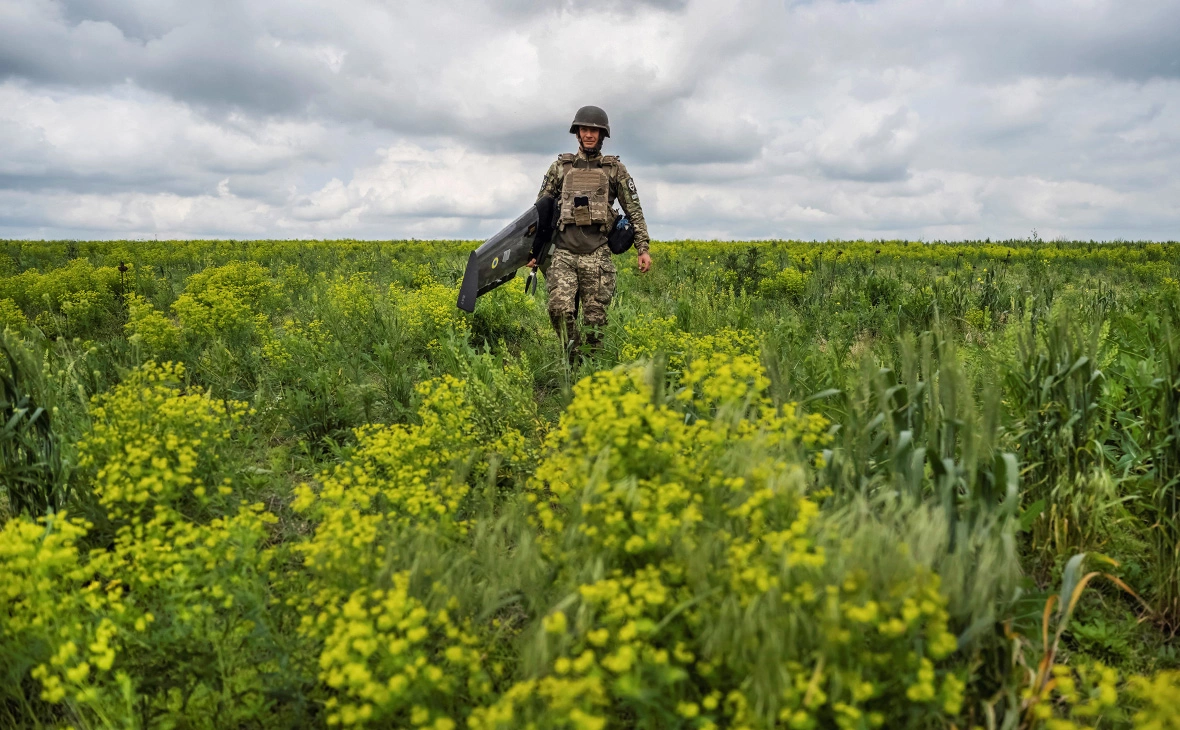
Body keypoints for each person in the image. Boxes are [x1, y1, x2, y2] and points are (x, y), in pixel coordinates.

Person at [527, 105, 651, 362]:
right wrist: (533, 250)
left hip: (597, 254)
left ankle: (591, 368)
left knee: (595, 321)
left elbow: (634, 210)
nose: (589, 134)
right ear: (577, 133)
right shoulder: (560, 168)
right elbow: (540, 211)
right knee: (559, 310)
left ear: (602, 134)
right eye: (584, 129)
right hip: (563, 252)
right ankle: (573, 360)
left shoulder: (615, 170)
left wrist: (643, 248)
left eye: (594, 130)